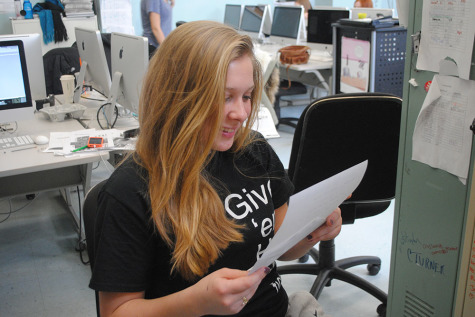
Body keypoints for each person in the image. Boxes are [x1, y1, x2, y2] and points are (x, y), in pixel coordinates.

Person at [89, 20, 342, 317]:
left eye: (247, 96)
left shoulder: (255, 152)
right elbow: (117, 312)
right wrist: (196, 302)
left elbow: (282, 248)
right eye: (225, 98)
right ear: (178, 97)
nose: (242, 113)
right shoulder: (130, 190)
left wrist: (313, 231)